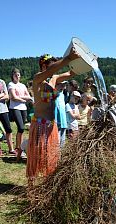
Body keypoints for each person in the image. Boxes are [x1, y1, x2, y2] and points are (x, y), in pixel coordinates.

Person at [26, 49, 80, 179]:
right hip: (39, 126)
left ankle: (47, 183)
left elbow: (70, 73)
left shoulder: (53, 79)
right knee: (36, 158)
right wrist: (67, 59)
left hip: (51, 126)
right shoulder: (37, 79)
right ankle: (31, 186)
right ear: (44, 66)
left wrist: (85, 62)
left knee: (51, 157)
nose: (54, 71)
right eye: (52, 66)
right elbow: (51, 72)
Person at [8, 68, 32, 150]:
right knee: (21, 127)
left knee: (21, 130)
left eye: (18, 75)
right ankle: (18, 147)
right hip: (15, 108)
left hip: (23, 108)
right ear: (12, 76)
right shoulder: (11, 84)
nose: (17, 76)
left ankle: (20, 147)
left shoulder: (23, 85)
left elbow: (28, 97)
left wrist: (19, 97)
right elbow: (13, 97)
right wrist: (23, 99)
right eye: (15, 75)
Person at [55, 81, 68, 148]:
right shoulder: (53, 94)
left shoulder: (64, 95)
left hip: (63, 121)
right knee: (56, 141)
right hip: (56, 121)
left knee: (62, 142)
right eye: (61, 85)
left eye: (64, 85)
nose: (63, 87)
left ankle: (60, 157)